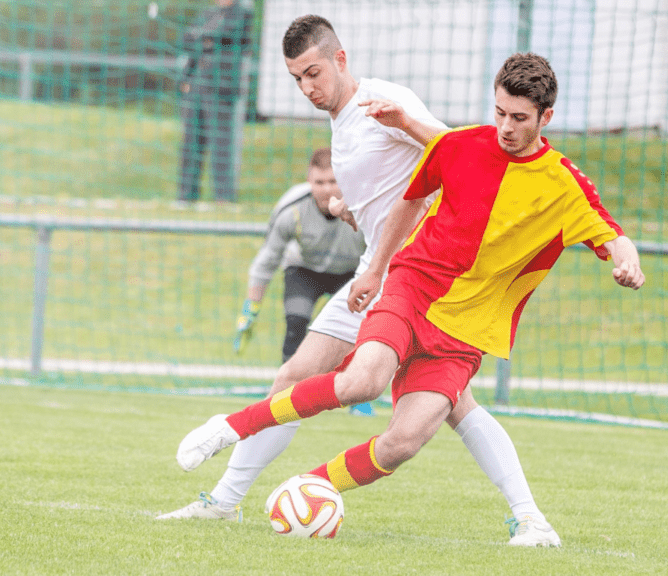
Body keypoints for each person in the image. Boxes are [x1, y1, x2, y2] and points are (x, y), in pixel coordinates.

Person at [160, 15, 559, 548]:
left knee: (452, 406)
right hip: (375, 275)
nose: (307, 87)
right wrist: (360, 210)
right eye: (297, 78)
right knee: (292, 377)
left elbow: (458, 158)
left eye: (314, 73)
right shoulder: (342, 121)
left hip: (423, 281)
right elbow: (399, 184)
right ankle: (225, 502)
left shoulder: (383, 101)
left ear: (340, 59)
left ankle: (530, 516)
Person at [232, 147, 375, 415]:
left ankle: (357, 393)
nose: (326, 189)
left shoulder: (364, 207)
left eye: (333, 181)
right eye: (319, 182)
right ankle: (285, 398)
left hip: (350, 274)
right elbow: (267, 259)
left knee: (351, 332)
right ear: (309, 181)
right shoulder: (292, 209)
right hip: (304, 270)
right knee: (296, 321)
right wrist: (251, 307)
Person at [177, 0, 254, 203]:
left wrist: (204, 37)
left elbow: (225, 35)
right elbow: (188, 38)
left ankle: (223, 197)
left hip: (221, 87)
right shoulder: (209, 14)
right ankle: (186, 197)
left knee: (221, 145)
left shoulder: (241, 13)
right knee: (191, 143)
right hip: (197, 83)